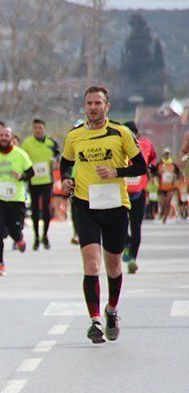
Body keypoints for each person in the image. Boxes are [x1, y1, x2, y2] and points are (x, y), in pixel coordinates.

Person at [60, 85, 147, 344]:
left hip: (115, 206)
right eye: (89, 103)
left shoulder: (121, 133)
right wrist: (66, 179)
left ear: (106, 106)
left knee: (113, 266)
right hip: (85, 205)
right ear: (84, 107)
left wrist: (116, 173)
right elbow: (66, 163)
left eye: (98, 103)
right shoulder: (74, 136)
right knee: (91, 264)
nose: (93, 108)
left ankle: (111, 310)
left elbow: (141, 166)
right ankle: (95, 320)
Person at [0, 126, 34, 276]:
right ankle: (0, 264)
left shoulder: (20, 154)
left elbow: (31, 172)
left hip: (16, 199)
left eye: (7, 135)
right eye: (1, 135)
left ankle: (19, 239)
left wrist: (21, 176)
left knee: (14, 230)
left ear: (11, 137)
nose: (4, 138)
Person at [121, 121, 156, 274]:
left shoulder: (146, 144)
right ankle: (126, 245)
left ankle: (133, 259)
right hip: (121, 193)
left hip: (138, 193)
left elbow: (153, 158)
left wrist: (152, 166)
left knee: (136, 227)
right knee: (120, 226)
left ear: (136, 133)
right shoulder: (117, 144)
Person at [20, 119, 60, 250]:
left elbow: (58, 155)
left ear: (44, 129)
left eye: (40, 128)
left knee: (47, 208)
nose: (38, 130)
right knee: (35, 209)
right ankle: (36, 236)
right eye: (36, 128)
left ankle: (45, 235)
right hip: (33, 180)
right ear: (33, 130)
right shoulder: (27, 143)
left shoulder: (51, 142)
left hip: (47, 180)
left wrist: (55, 162)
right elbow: (22, 158)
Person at [157, 149, 180, 223]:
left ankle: (165, 219)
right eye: (166, 154)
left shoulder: (173, 165)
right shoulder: (159, 164)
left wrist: (175, 178)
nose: (167, 155)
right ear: (163, 155)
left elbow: (178, 174)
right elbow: (153, 173)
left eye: (168, 154)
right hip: (161, 188)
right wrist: (158, 175)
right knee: (163, 204)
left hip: (170, 187)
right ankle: (162, 213)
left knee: (168, 203)